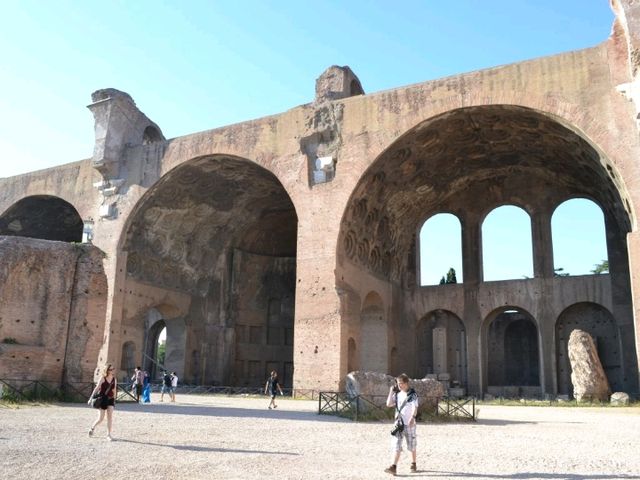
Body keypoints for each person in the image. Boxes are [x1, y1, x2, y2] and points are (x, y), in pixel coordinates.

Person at [384, 373, 419, 476]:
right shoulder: (398, 394)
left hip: (409, 424)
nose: (399, 385)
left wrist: (413, 418)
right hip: (399, 424)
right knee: (396, 445)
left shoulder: (412, 395)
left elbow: (415, 407)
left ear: (407, 383)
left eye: (401, 383)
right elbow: (389, 404)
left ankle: (413, 463)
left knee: (411, 445)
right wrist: (391, 391)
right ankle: (393, 467)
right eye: (398, 383)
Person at [88, 363, 117, 441]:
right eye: (111, 369)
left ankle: (108, 435)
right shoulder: (103, 378)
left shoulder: (114, 379)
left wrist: (114, 400)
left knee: (110, 417)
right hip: (102, 399)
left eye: (113, 369)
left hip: (110, 399)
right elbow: (96, 388)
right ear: (107, 370)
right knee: (101, 418)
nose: (113, 370)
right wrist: (91, 398)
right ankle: (92, 428)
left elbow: (114, 390)